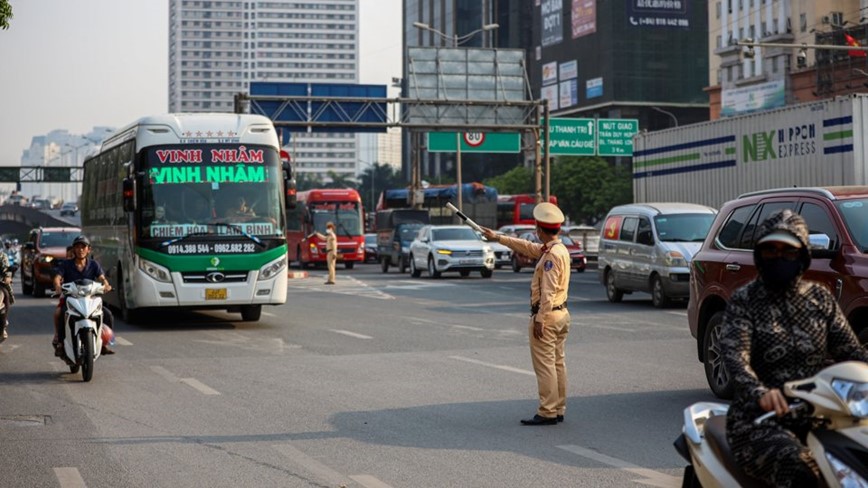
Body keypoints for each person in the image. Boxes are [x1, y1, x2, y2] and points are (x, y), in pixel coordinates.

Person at [721, 209, 868, 487]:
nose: (779, 257)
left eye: (788, 251)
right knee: (801, 469)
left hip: (822, 415)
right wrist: (760, 393)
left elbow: (852, 352)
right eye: (771, 250)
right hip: (760, 420)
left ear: (802, 256)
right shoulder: (746, 300)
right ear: (759, 254)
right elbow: (735, 357)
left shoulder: (819, 299)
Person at [481, 202, 571, 426]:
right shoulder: (558, 249)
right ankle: (558, 408)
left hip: (548, 316)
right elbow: (527, 247)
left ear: (540, 229)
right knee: (558, 363)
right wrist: (498, 237)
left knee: (546, 366)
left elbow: (548, 291)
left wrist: (540, 318)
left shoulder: (550, 256)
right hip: (562, 315)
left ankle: (547, 411)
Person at [52, 235, 116, 355]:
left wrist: (106, 285)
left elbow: (102, 278)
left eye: (83, 247)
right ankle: (60, 342)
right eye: (77, 247)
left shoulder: (94, 265)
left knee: (108, 315)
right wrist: (57, 286)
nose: (80, 249)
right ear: (73, 250)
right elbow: (57, 277)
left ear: (88, 249)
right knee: (60, 314)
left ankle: (104, 344)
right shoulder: (66, 264)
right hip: (71, 299)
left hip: (90, 299)